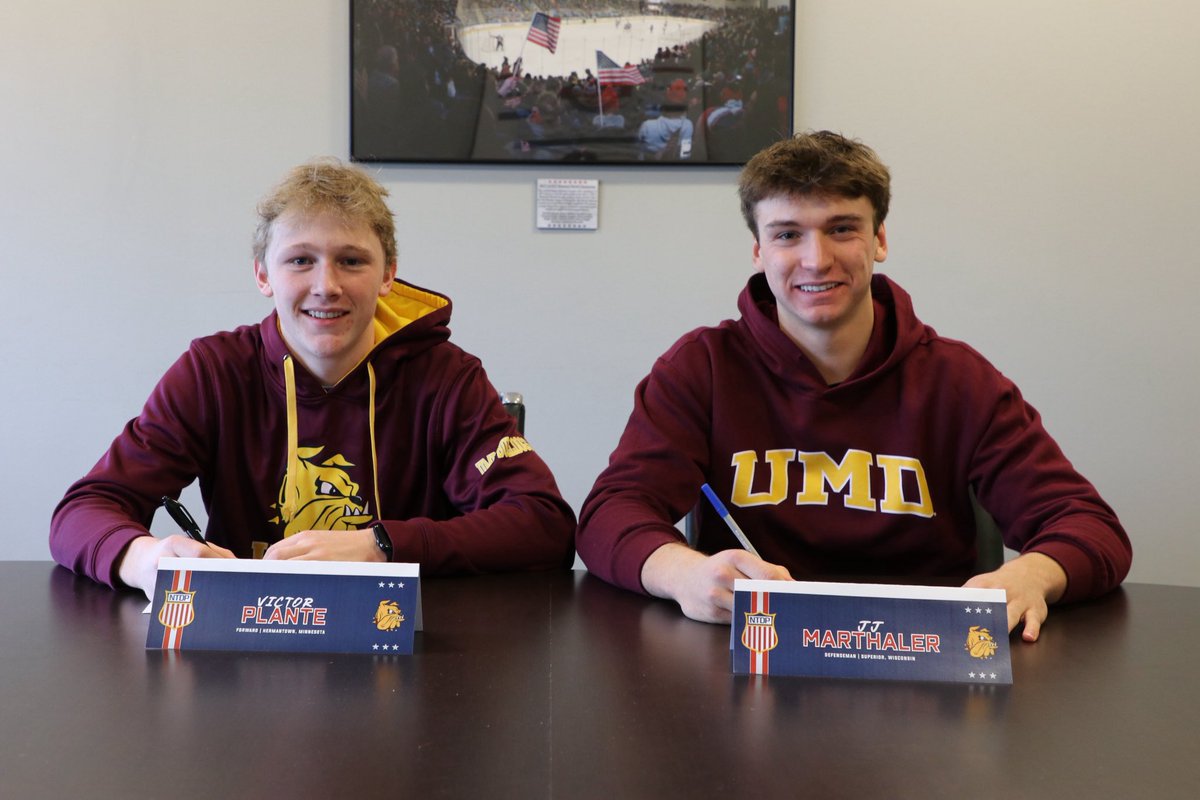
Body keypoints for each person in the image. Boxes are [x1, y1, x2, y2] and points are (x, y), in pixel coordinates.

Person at [576, 131, 1131, 641]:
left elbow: (1088, 525)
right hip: (752, 655)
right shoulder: (702, 369)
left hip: (923, 664)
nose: (816, 259)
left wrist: (1033, 573)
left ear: (879, 239)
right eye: (788, 235)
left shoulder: (959, 380)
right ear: (758, 251)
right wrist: (684, 573)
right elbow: (611, 512)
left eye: (842, 228)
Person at [51, 159, 575, 598]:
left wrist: (382, 545)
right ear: (262, 274)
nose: (326, 286)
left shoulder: (446, 377)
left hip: (408, 656)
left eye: (351, 261)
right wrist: (148, 559)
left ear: (388, 273)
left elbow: (544, 525)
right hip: (249, 653)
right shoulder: (213, 372)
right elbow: (85, 510)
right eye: (300, 260)